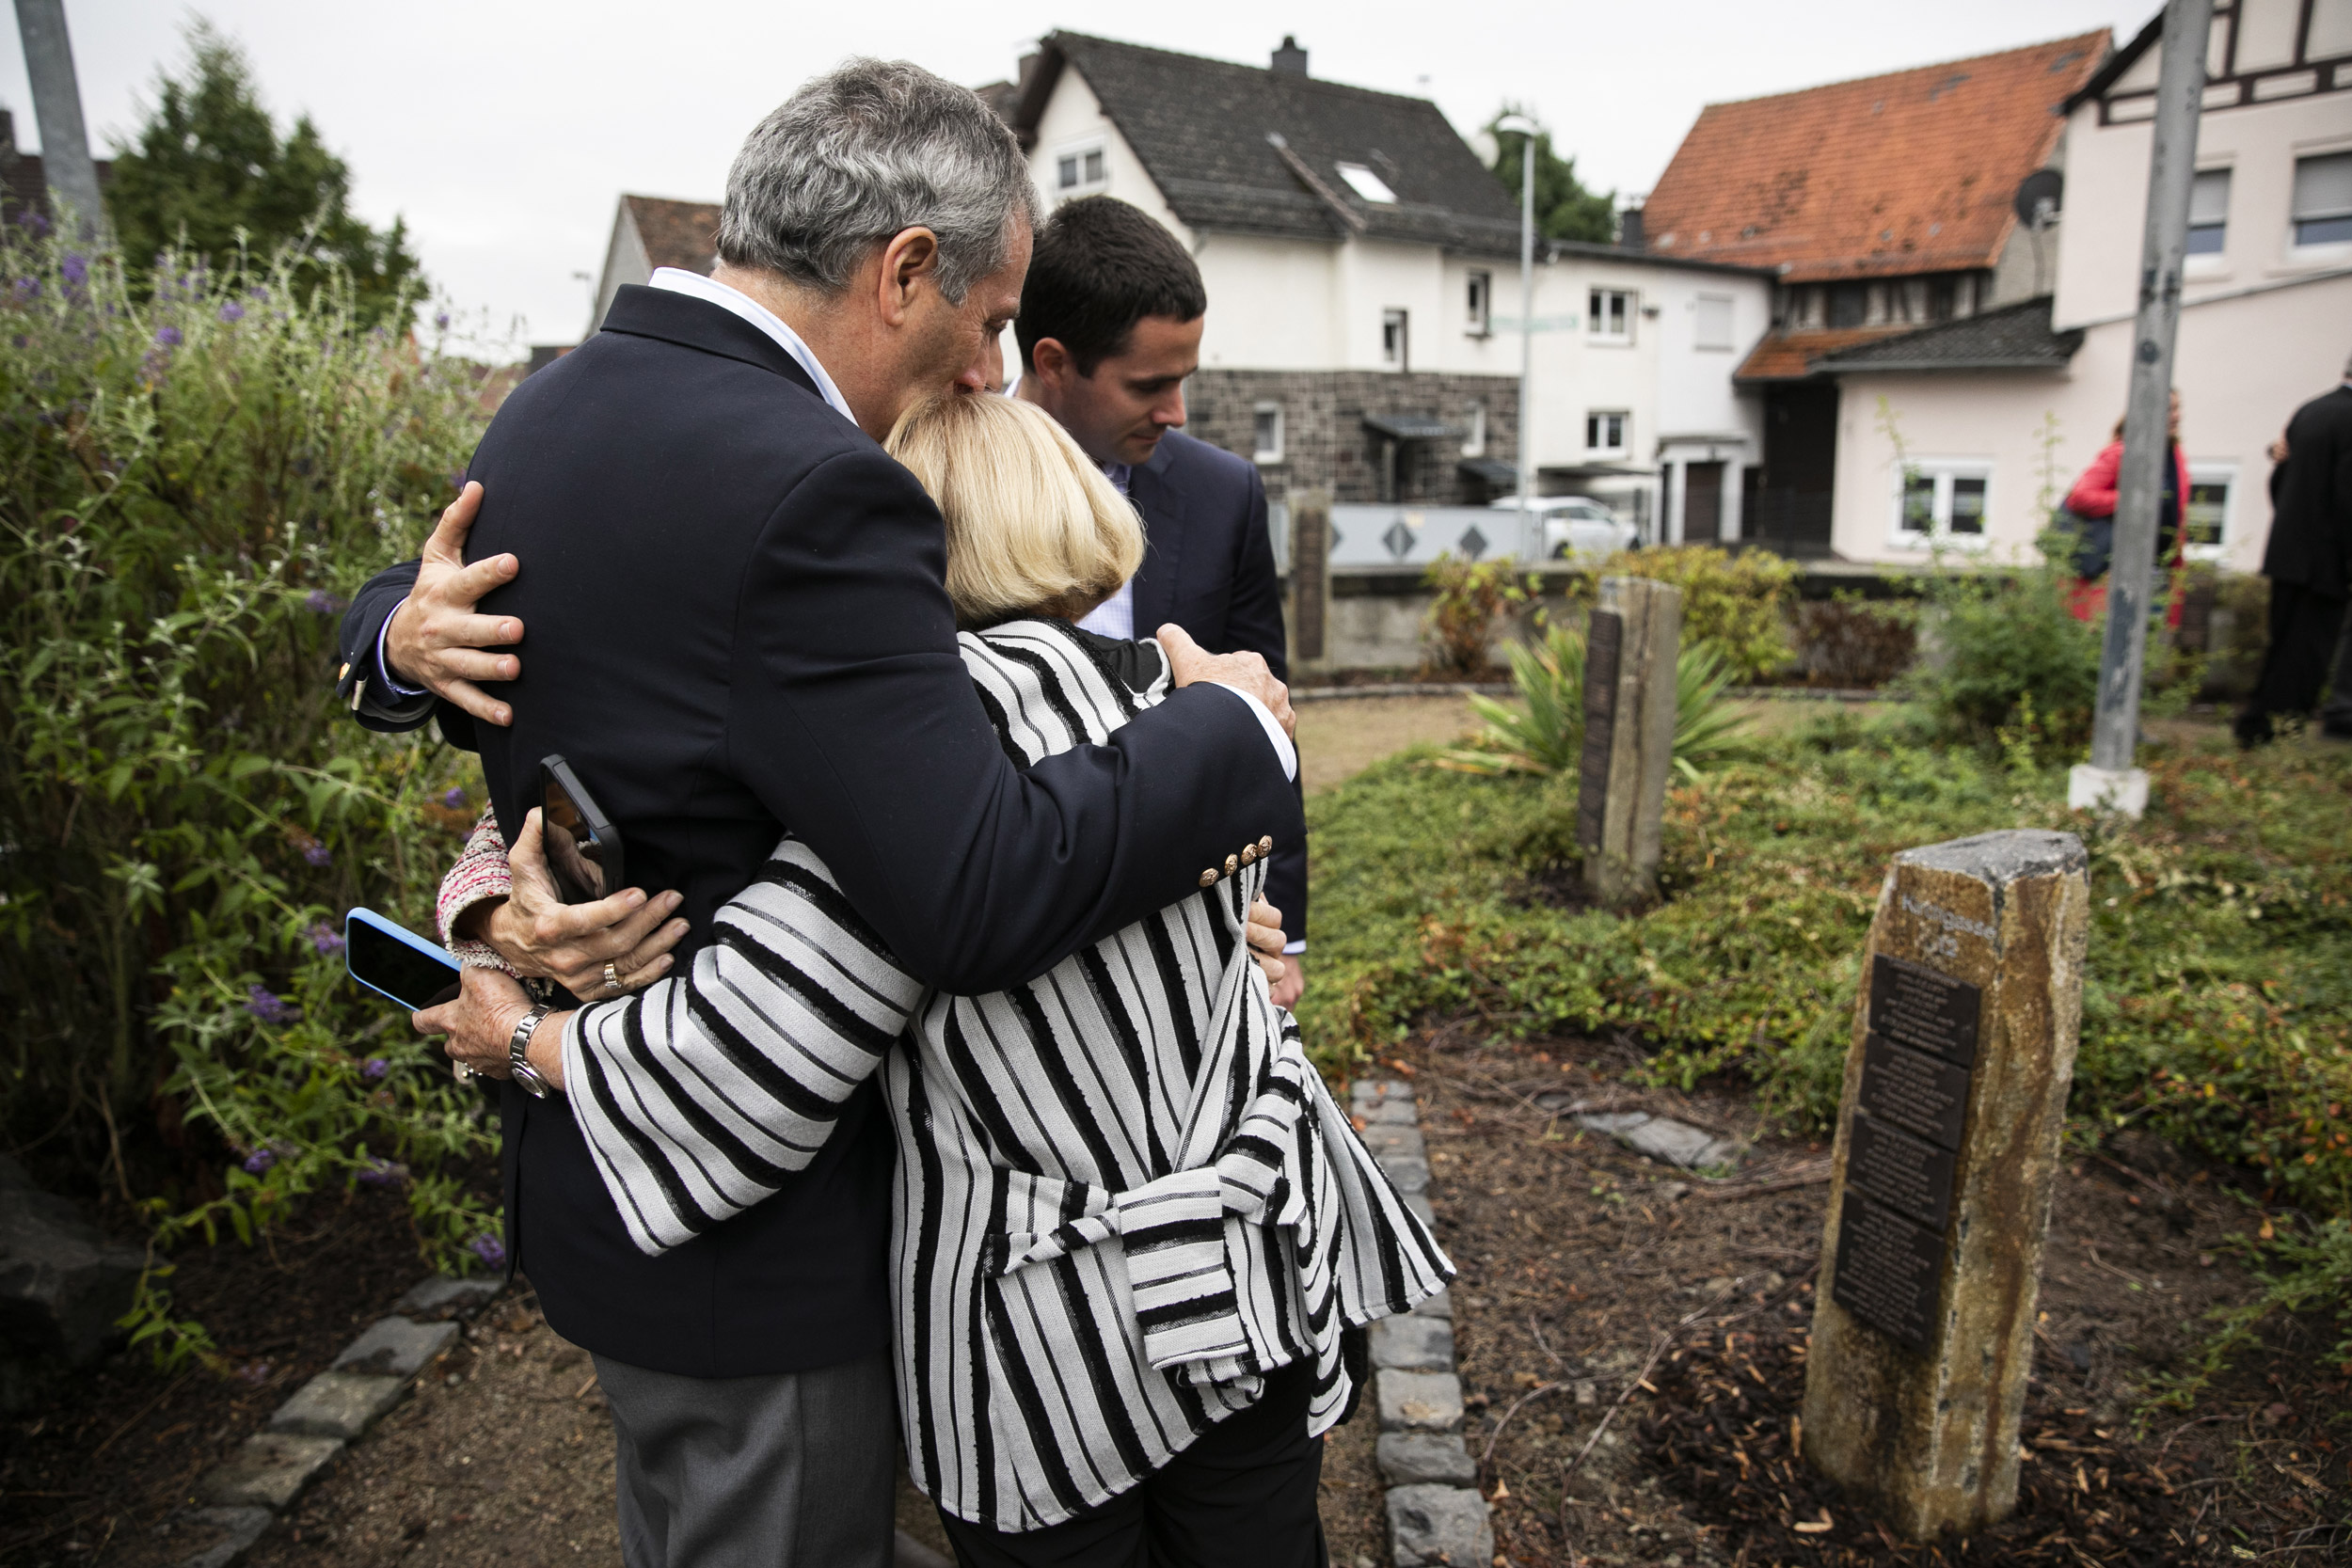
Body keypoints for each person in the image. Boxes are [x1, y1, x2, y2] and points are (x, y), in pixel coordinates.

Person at [334, 61, 1304, 1568]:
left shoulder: (553, 406)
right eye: (989, 325)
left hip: (603, 1204)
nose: (992, 374)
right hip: (757, 1232)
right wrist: (1230, 725)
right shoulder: (821, 490)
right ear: (903, 270)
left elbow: (595, 711)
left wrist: (394, 654)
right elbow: (971, 881)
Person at [421, 391, 1448, 1565]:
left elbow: (741, 1057)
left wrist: (512, 1035)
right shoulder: (1198, 696)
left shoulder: (920, 769)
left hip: (1058, 1336)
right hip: (1252, 1256)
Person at [1009, 197, 1311, 1006]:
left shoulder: (1226, 492)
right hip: (1015, 929)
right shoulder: (934, 481)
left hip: (1203, 929)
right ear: (1054, 360)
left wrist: (1290, 933)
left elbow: (1270, 727)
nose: (1176, 412)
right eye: (1150, 384)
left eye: (1185, 379)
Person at [2237, 355, 2352, 747]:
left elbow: (2282, 475)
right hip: (2326, 562)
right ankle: (2281, 728)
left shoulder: (2309, 411)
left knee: (2282, 644)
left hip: (2288, 552)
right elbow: (2346, 497)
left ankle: (2255, 724)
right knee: (2308, 654)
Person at [2060, 390, 2192, 622]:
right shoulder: (2123, 452)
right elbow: (2080, 497)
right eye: (2169, 409)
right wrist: (2132, 501)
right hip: (2118, 573)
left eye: (2178, 408)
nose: (2177, 416)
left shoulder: (2174, 456)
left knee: (2151, 648)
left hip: (2159, 573)